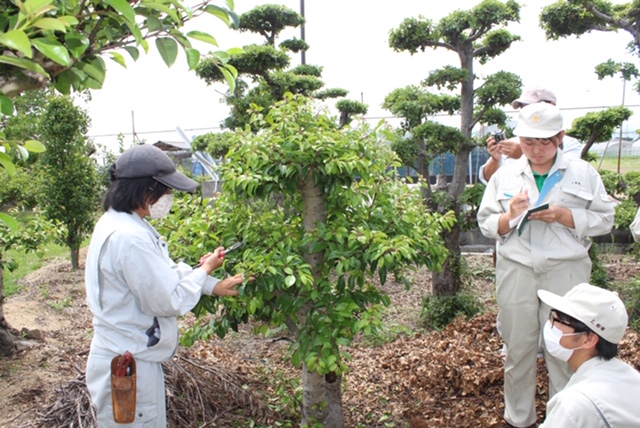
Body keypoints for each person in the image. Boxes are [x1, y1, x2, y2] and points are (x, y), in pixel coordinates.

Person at [84, 144, 246, 427]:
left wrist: (210, 284)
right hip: (128, 364)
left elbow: (162, 272)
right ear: (147, 190)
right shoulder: (129, 237)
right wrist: (206, 269)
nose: (169, 198)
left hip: (127, 355)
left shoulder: (122, 223)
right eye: (167, 191)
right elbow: (168, 299)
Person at [477, 102, 615, 428]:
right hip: (516, 270)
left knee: (565, 351)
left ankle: (564, 421)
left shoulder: (583, 173)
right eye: (528, 142)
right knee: (519, 349)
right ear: (519, 139)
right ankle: (518, 418)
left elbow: (605, 218)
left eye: (545, 142)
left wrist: (565, 216)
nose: (536, 150)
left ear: (561, 137)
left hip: (565, 271)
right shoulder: (506, 173)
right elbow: (486, 223)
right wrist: (510, 216)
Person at [538, 283, 640, 427]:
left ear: (588, 339)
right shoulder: (630, 377)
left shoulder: (573, 406)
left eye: (558, 318)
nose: (550, 324)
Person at [479, 86, 583, 185]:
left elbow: (567, 174)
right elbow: (489, 180)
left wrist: (523, 155)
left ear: (551, 106)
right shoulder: (512, 142)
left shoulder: (570, 144)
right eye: (523, 108)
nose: (526, 112)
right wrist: (495, 159)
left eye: (530, 107)